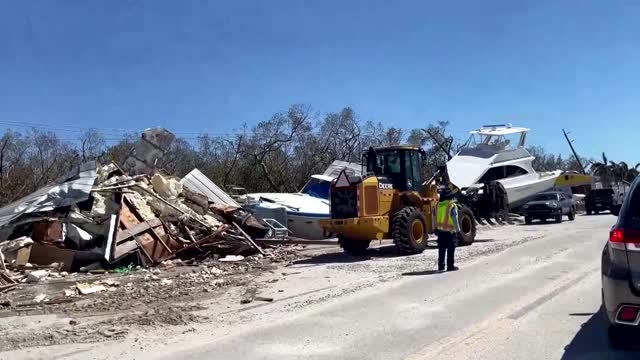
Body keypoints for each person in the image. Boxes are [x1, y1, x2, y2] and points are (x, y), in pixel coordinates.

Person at [435, 189, 461, 272]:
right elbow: (455, 219)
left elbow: (435, 218)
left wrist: (435, 228)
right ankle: (450, 266)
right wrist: (458, 230)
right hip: (450, 231)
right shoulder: (452, 205)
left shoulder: (438, 205)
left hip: (440, 231)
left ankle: (441, 266)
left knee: (441, 250)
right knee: (450, 249)